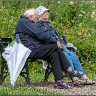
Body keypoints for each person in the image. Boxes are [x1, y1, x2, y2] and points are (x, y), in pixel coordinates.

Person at [15, 8, 84, 89]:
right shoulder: (24, 22)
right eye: (36, 18)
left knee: (54, 54)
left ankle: (59, 81)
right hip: (30, 50)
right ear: (30, 16)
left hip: (34, 48)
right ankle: (69, 70)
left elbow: (39, 35)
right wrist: (55, 41)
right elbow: (40, 34)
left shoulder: (27, 22)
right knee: (55, 46)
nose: (37, 21)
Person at [36, 6, 95, 85]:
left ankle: (84, 77)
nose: (47, 13)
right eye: (44, 12)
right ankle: (75, 78)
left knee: (73, 55)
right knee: (67, 55)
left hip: (60, 45)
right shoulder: (38, 25)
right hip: (52, 48)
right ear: (39, 15)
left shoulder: (47, 24)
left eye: (47, 12)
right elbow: (44, 38)